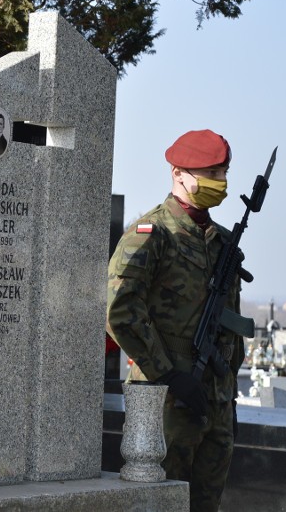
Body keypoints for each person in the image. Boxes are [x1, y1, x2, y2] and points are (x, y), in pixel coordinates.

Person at [106, 129, 245, 512]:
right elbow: (120, 313)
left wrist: (227, 392)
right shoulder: (152, 234)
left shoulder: (221, 243)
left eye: (223, 173)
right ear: (177, 172)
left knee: (205, 505)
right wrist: (168, 374)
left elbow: (230, 323)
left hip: (213, 402)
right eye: (210, 173)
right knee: (159, 503)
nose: (219, 183)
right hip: (164, 402)